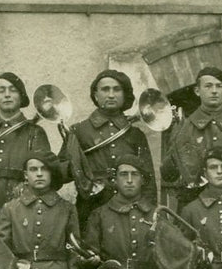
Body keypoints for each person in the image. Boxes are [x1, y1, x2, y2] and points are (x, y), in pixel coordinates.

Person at [61, 69, 153, 226]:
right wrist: (75, 166)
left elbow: (148, 180)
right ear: (95, 95)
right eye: (105, 89)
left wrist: (149, 213)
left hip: (130, 209)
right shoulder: (79, 131)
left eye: (117, 89)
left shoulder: (135, 134)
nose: (111, 95)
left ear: (125, 95)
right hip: (91, 207)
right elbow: (61, 174)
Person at [0, 152, 79, 269]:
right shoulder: (11, 209)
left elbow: (74, 256)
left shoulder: (66, 209)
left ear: (52, 173)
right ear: (26, 175)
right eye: (33, 169)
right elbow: (1, 254)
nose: (39, 174)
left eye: (44, 169)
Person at [82, 156, 165, 269]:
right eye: (123, 174)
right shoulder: (99, 215)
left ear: (143, 180)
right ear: (114, 180)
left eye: (134, 174)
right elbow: (89, 259)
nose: (129, 180)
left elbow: (166, 262)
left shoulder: (157, 214)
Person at [0, 72, 51, 223]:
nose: (7, 95)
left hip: (23, 207)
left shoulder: (35, 133)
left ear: (21, 96)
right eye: (1, 91)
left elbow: (44, 175)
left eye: (12, 90)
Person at [163, 66, 222, 204]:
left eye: (219, 86)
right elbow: (168, 174)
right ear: (197, 91)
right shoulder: (184, 127)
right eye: (208, 86)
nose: (214, 91)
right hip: (192, 203)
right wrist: (174, 140)